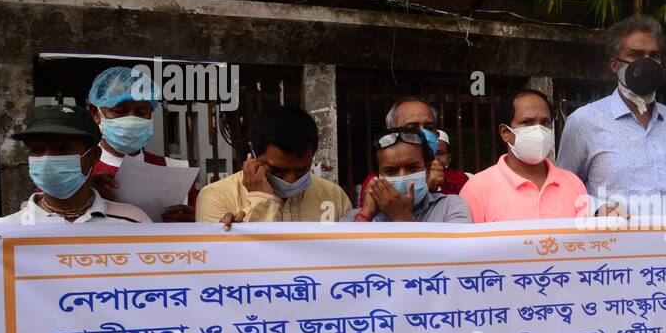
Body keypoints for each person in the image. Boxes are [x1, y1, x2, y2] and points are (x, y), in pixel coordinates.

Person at [556, 14, 666, 220]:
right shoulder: (584, 121)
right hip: (615, 246)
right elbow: (563, 189)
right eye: (635, 55)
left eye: (653, 55)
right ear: (614, 64)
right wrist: (598, 208)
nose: (647, 63)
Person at [195, 105, 351, 227]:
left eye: (301, 170)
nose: (290, 180)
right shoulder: (216, 197)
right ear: (253, 153)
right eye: (278, 170)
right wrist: (261, 201)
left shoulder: (333, 196)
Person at [0, 105, 150, 229]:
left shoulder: (134, 221)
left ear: (94, 156)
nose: (47, 158)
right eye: (37, 150)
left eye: (62, 149)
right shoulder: (4, 232)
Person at [84, 65, 196, 222]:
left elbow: (202, 230)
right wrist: (83, 194)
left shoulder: (175, 172)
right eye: (120, 112)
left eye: (141, 112)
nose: (131, 120)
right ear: (96, 113)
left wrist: (196, 220)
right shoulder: (75, 172)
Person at [461, 89, 589, 222]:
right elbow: (468, 241)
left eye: (545, 123)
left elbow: (585, 240)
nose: (539, 131)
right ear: (505, 132)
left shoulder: (574, 184)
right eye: (528, 122)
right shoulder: (478, 189)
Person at [346, 127, 470, 222]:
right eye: (390, 171)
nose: (402, 177)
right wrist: (366, 215)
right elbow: (344, 254)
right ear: (377, 176)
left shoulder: (451, 208)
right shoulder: (353, 218)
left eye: (412, 168)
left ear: (427, 168)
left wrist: (402, 215)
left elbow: (454, 254)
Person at [434, 129, 470, 195]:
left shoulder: (460, 178)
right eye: (429, 154)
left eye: (441, 153)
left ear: (449, 157)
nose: (435, 160)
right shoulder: (416, 181)